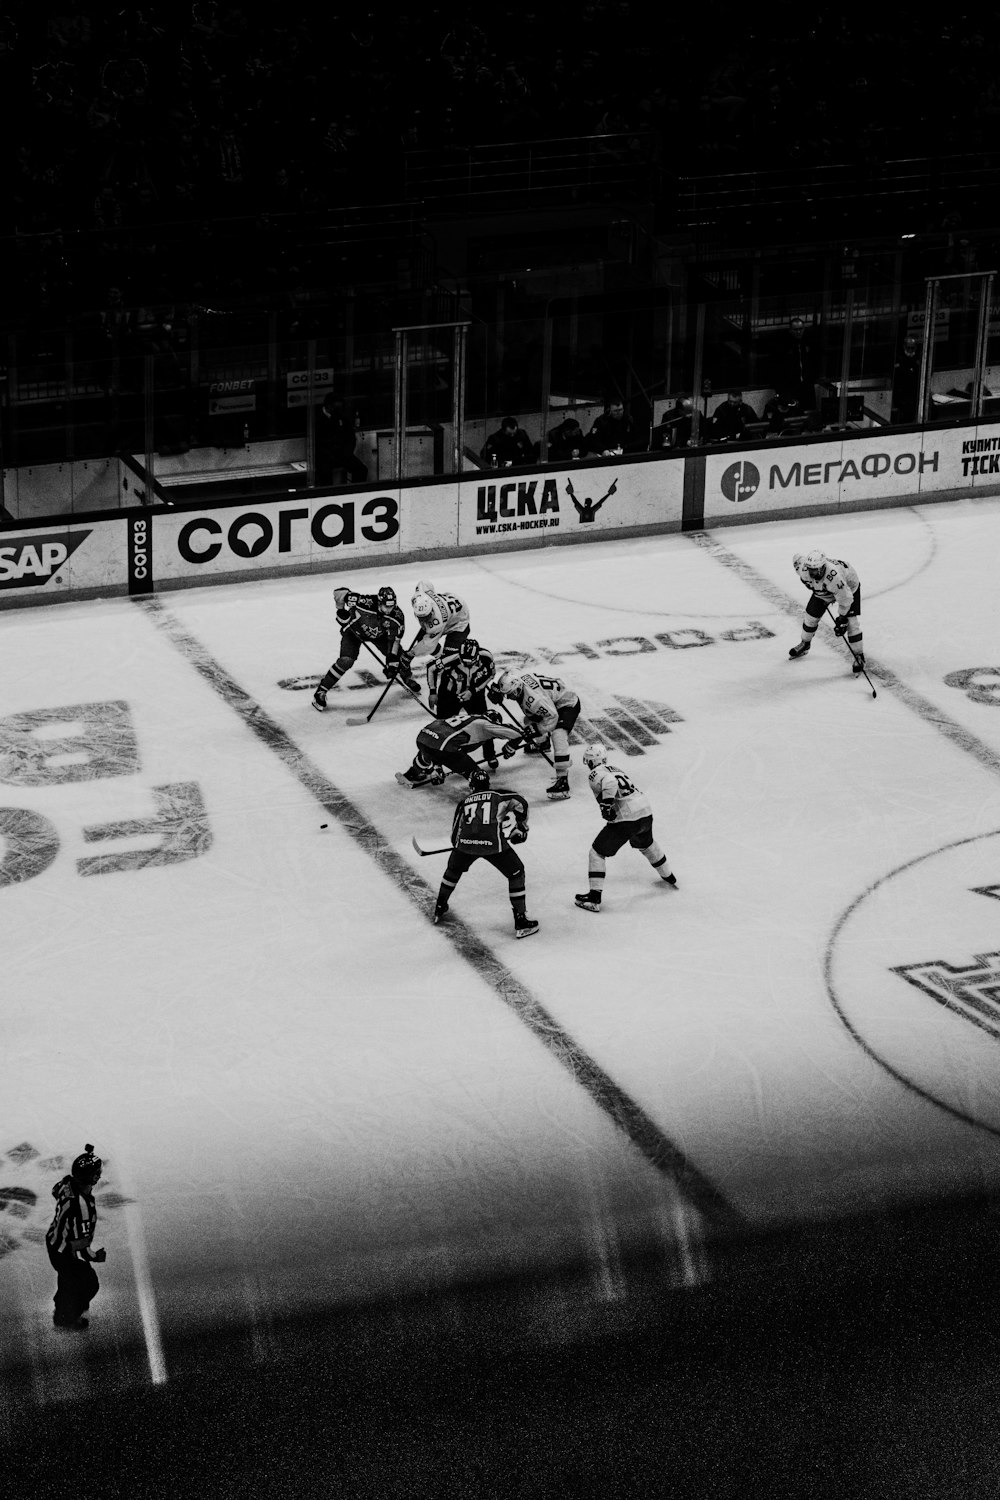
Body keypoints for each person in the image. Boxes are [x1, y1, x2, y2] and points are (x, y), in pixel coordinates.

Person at [432, 768, 538, 939]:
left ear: (471, 786)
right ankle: (520, 920)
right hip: (493, 845)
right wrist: (521, 826)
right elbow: (521, 802)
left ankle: (440, 905)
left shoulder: (464, 802)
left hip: (464, 846)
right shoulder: (499, 796)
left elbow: (454, 833)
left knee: (453, 870)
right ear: (488, 784)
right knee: (516, 872)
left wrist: (459, 847)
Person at [574, 744, 676, 913]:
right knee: (646, 844)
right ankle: (668, 876)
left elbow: (610, 782)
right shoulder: (615, 768)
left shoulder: (595, 773)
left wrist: (606, 805)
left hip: (627, 818)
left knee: (597, 852)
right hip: (644, 811)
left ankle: (594, 898)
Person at [313, 585, 418, 709]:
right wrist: (340, 610)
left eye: (391, 606)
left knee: (399, 657)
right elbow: (339, 592)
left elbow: (394, 641)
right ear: (379, 602)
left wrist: (392, 662)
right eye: (386, 606)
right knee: (346, 661)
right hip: (354, 632)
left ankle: (407, 677)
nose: (389, 610)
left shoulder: (397, 617)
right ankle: (321, 691)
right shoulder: (363, 602)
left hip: (379, 636)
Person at [488, 668, 581, 800]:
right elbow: (511, 670)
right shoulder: (518, 681)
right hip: (551, 701)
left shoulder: (535, 700)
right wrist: (497, 688)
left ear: (518, 688)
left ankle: (563, 781)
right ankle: (543, 744)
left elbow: (552, 719)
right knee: (528, 721)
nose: (508, 697)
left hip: (566, 703)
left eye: (509, 693)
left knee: (558, 735)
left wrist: (535, 731)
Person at [45, 1145, 107, 1330]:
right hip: (64, 1250)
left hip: (53, 1240)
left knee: (67, 1279)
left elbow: (56, 1190)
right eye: (98, 1172)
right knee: (89, 1284)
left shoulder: (67, 1183)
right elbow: (81, 1245)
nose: (100, 1174)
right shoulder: (83, 1208)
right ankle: (68, 1318)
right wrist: (96, 1256)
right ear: (94, 1177)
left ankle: (61, 1308)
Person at [396, 710, 520, 788]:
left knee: (429, 752)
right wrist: (510, 747)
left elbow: (442, 743)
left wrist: (437, 766)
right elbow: (517, 734)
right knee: (477, 774)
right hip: (442, 745)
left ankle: (413, 773)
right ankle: (480, 792)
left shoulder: (471, 718)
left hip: (423, 737)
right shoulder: (486, 724)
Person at [788, 550, 865, 673]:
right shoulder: (803, 569)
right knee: (810, 617)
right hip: (824, 591)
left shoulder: (834, 577)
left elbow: (845, 599)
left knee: (851, 623)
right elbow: (797, 558)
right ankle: (805, 643)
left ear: (823, 567)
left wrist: (842, 619)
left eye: (815, 569)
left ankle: (859, 656)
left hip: (848, 588)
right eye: (810, 569)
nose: (812, 572)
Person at [427, 637, 497, 724]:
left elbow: (491, 674)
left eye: (470, 661)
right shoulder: (449, 658)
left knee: (482, 723)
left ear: (477, 656)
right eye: (463, 660)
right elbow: (431, 668)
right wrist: (433, 692)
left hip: (475, 695)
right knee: (443, 725)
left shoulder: (486, 657)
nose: (466, 664)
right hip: (450, 695)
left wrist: (473, 691)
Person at [404, 582, 471, 666]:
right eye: (421, 618)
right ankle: (440, 657)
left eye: (426, 617)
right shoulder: (419, 596)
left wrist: (410, 654)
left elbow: (428, 645)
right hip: (451, 599)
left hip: (460, 621)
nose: (424, 620)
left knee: (449, 658)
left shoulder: (436, 623)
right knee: (421, 639)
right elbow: (423, 583)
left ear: (431, 610)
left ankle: (443, 659)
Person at [315, 394, 368, 486]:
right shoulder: (317, 418)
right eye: (336, 407)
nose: (338, 409)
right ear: (328, 406)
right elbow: (320, 441)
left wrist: (347, 452)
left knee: (361, 469)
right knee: (325, 473)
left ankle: (355, 493)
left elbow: (351, 437)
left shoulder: (342, 417)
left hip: (342, 453)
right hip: (324, 455)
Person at [773, 317, 820, 413]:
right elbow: (778, 369)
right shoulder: (783, 346)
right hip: (790, 387)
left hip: (807, 385)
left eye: (800, 329)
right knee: (793, 414)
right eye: (795, 329)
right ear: (790, 330)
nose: (798, 332)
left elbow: (814, 362)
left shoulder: (808, 342)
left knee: (809, 413)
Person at [890, 334, 921, 425]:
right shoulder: (899, 358)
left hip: (914, 393)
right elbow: (896, 378)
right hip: (901, 394)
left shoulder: (918, 359)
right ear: (904, 347)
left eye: (912, 348)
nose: (910, 350)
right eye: (908, 348)